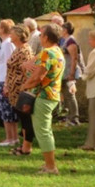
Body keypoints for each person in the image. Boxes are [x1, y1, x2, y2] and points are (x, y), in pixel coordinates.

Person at [21, 24, 65, 174]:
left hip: (44, 96)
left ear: (46, 37)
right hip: (52, 95)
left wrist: (24, 86)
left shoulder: (47, 52)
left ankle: (51, 167)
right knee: (46, 131)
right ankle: (48, 164)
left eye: (41, 35)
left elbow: (38, 77)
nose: (39, 37)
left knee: (43, 132)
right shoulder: (57, 51)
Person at [5, 24, 35, 156]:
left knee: (25, 119)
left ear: (18, 35)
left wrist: (25, 88)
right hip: (14, 89)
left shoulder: (25, 51)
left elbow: (29, 72)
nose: (10, 35)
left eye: (11, 33)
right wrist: (7, 85)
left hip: (22, 90)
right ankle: (24, 145)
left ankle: (27, 148)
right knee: (22, 118)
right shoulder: (18, 49)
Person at [0, 19, 19, 145]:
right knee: (4, 110)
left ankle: (11, 138)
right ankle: (11, 137)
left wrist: (7, 83)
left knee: (7, 110)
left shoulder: (8, 44)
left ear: (2, 29)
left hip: (4, 80)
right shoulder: (3, 43)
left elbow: (10, 63)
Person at [60, 21, 84, 126]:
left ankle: (74, 118)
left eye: (62, 29)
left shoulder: (71, 41)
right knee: (67, 95)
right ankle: (70, 117)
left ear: (65, 30)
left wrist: (72, 74)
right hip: (65, 72)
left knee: (70, 95)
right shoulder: (66, 40)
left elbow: (74, 58)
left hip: (69, 72)